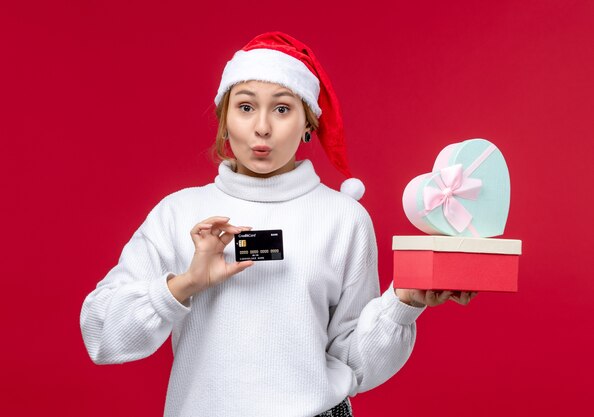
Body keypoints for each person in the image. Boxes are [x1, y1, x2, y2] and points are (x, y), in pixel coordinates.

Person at [80, 31, 477, 417]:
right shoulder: (179, 213)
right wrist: (184, 284)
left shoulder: (343, 218)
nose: (263, 127)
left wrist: (402, 303)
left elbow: (352, 366)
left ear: (309, 123)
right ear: (224, 118)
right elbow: (101, 335)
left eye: (283, 108)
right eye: (246, 107)